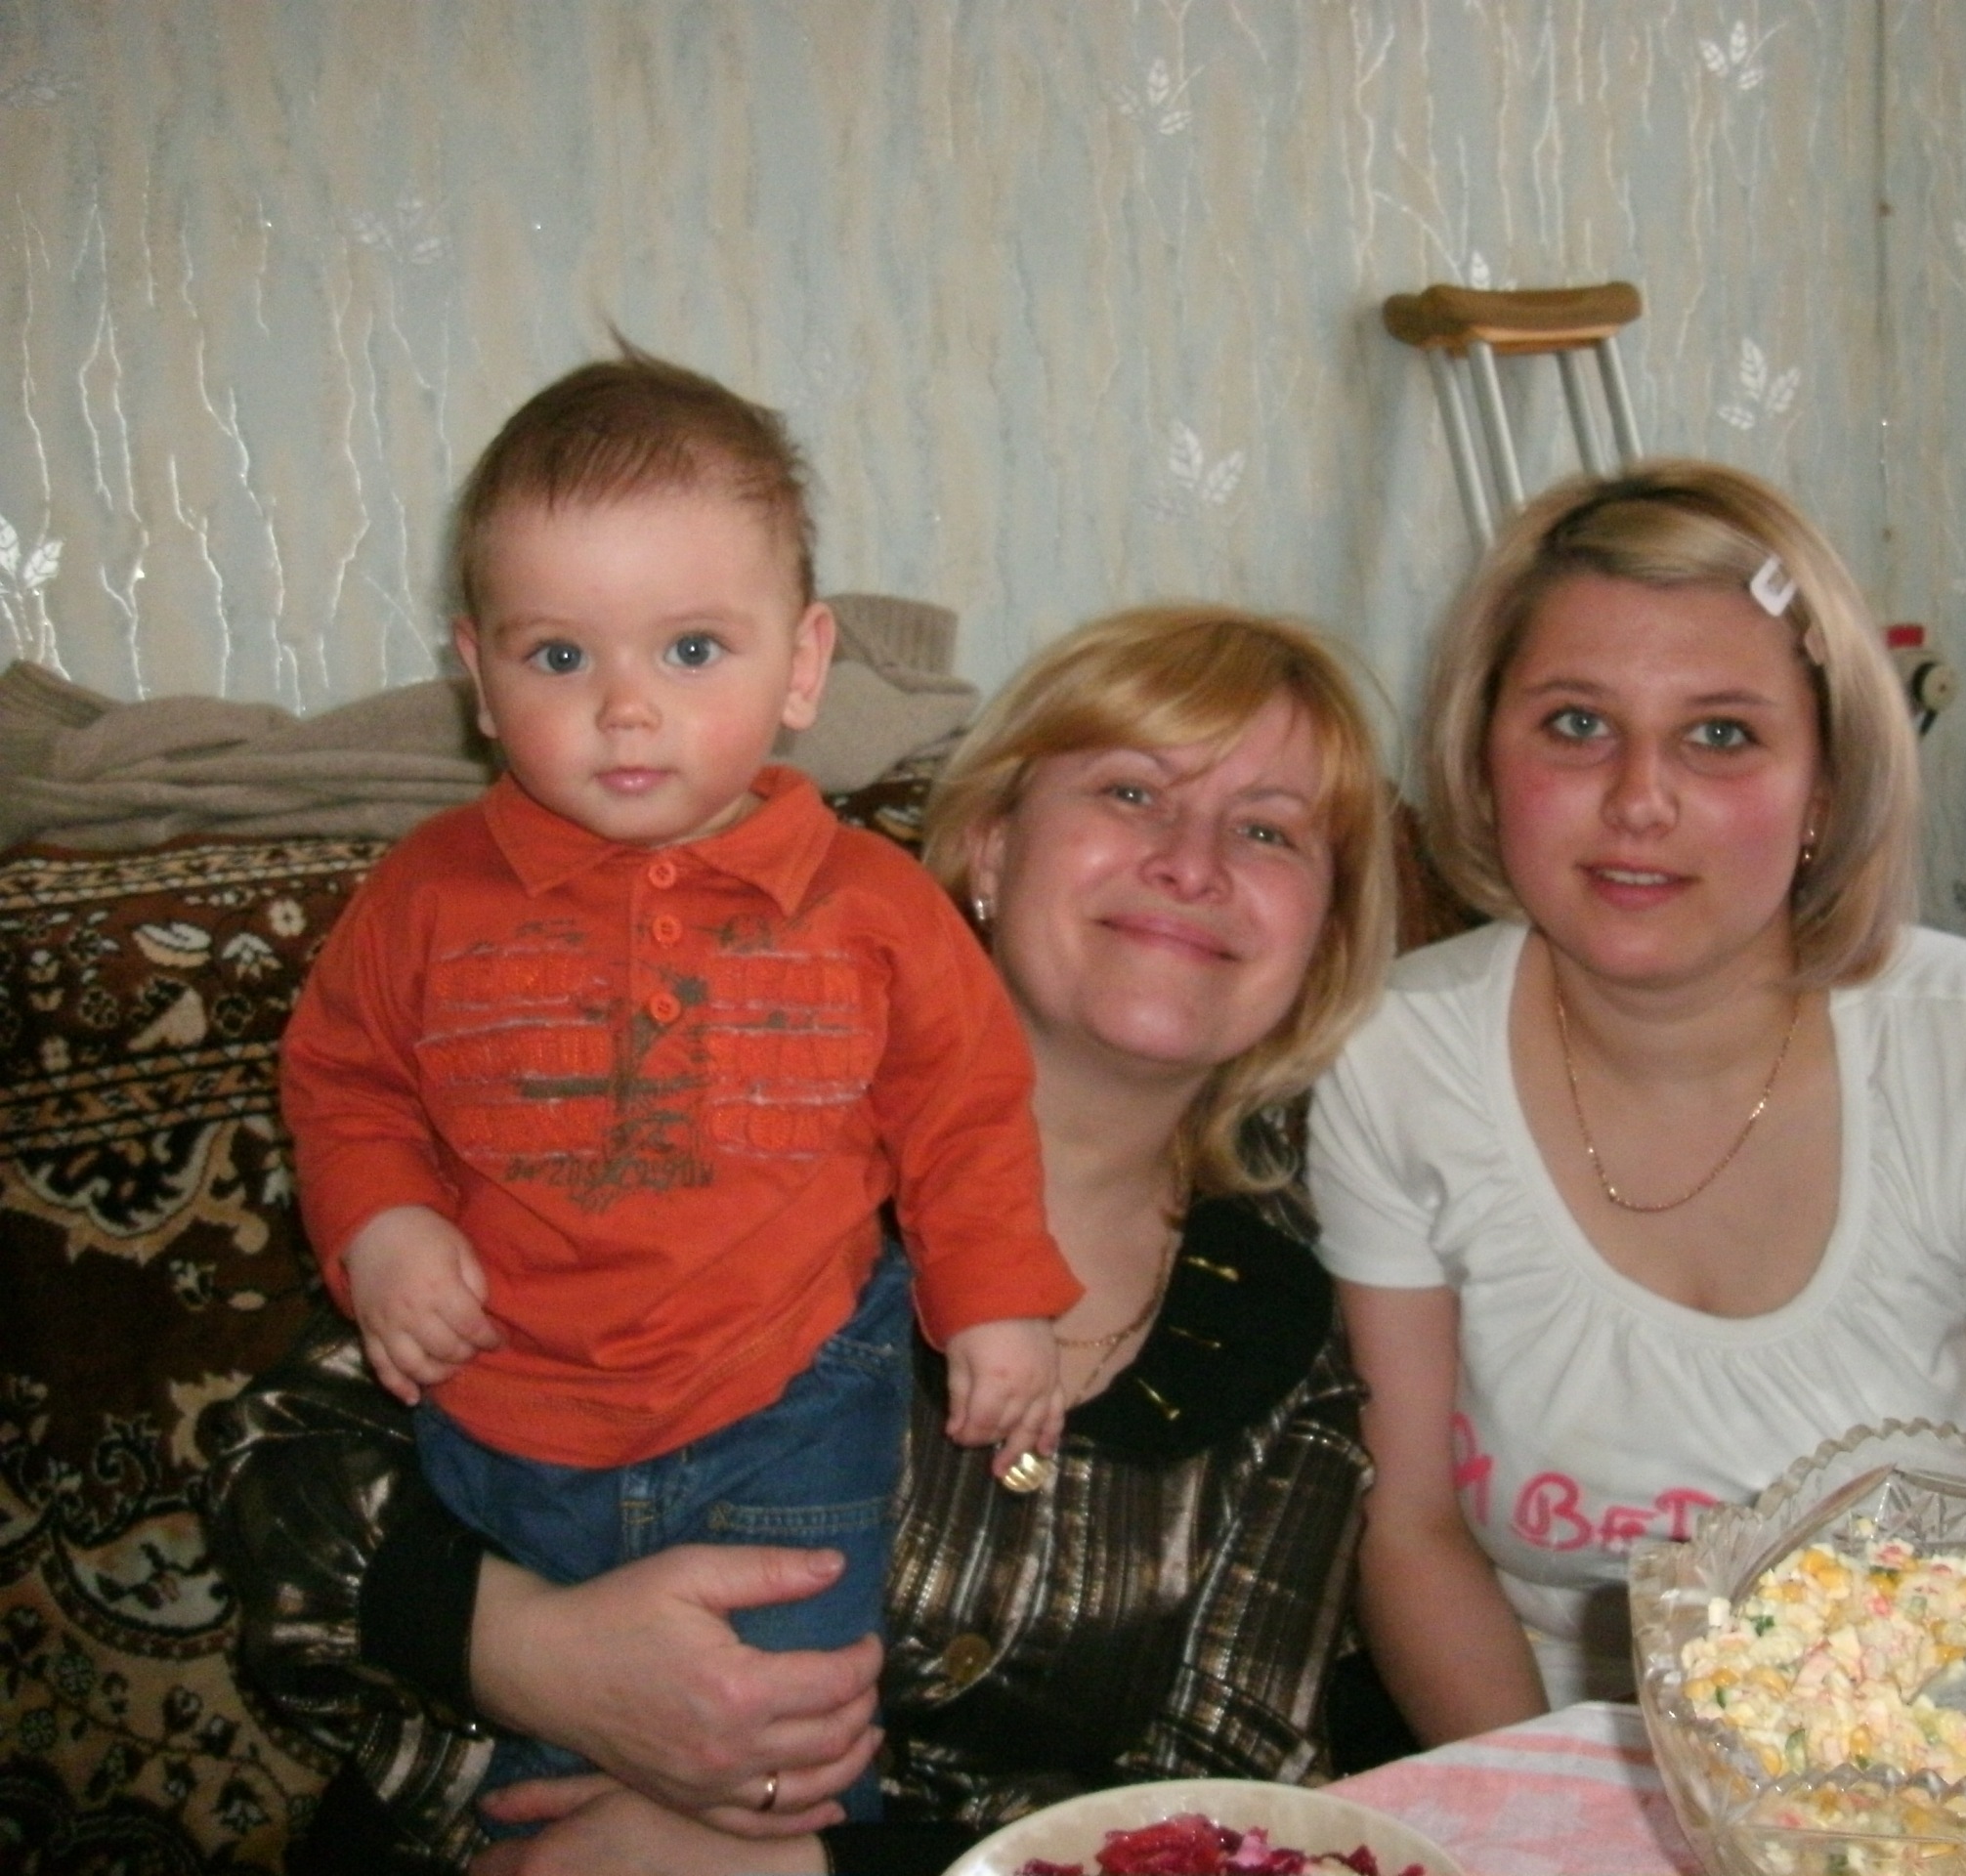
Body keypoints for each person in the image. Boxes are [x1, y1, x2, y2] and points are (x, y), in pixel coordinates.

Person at [205, 603, 1400, 1873]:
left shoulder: (1292, 1308)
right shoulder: (689, 1097)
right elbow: (281, 1473)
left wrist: (794, 1869)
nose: (1192, 863)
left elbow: (1238, 1804)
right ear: (991, 847)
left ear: (1323, 940)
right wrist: (529, 1655)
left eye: (1267, 830)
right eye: (1132, 792)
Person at [277, 348, 1082, 1824]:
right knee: (547, 1792)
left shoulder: (873, 905)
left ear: (806, 665)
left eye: (692, 650)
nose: (627, 710)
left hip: (787, 1412)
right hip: (504, 1421)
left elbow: (964, 1116)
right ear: (476, 673)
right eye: (559, 658)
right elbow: (343, 1081)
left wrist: (996, 1301)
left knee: (787, 1757)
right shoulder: (426, 895)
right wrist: (381, 1223)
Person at [1306, 460, 1966, 1743]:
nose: (1639, 800)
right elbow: (1412, 1533)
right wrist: (1534, 1821)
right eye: (1575, 724)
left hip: (1948, 1762)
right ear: (1483, 758)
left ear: (1825, 786)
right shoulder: (1395, 1058)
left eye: (1720, 735)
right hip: (1546, 1758)